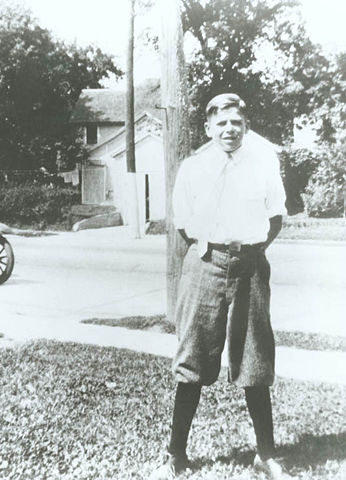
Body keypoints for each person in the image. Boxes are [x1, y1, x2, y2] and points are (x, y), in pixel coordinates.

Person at [148, 93, 292, 480]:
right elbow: (181, 223)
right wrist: (209, 248)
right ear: (209, 128)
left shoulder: (262, 164)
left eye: (237, 123)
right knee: (193, 357)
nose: (229, 130)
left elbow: (275, 216)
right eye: (222, 123)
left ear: (245, 127)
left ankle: (266, 454)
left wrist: (252, 250)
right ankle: (176, 455)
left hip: (250, 265)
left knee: (255, 358)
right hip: (205, 263)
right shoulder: (193, 168)